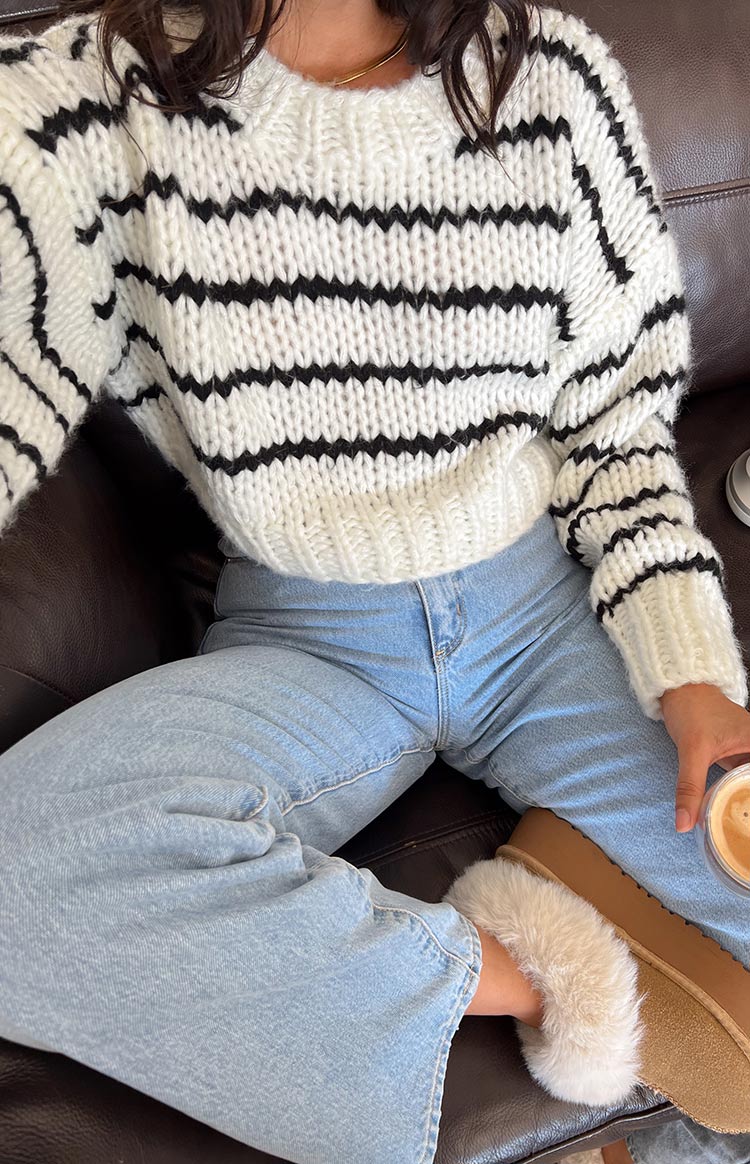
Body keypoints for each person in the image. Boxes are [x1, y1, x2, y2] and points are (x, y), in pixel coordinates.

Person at [0, 1, 748, 1161]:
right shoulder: (82, 104)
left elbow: (618, 427)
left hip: (544, 610)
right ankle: (534, 963)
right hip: (303, 644)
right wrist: (497, 978)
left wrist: (693, 670)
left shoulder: (547, 81)